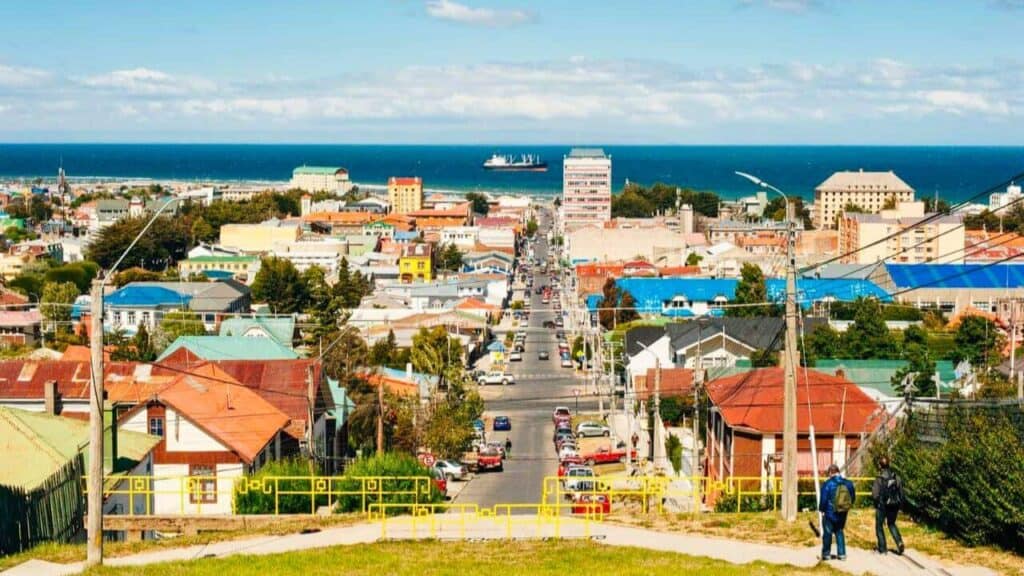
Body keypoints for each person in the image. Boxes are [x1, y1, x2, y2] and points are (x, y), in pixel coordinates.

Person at [819, 463, 856, 561]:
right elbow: (852, 497)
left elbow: (823, 499)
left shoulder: (827, 484)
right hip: (843, 512)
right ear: (838, 472)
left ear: (830, 473)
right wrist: (847, 507)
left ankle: (826, 554)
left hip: (830, 513)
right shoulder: (848, 483)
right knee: (839, 531)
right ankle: (842, 554)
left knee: (827, 533)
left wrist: (822, 510)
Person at [872, 456, 905, 555]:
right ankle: (899, 542)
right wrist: (900, 505)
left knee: (879, 526)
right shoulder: (896, 477)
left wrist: (877, 504)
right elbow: (901, 492)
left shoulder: (879, 478)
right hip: (894, 504)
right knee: (891, 524)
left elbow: (875, 494)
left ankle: (882, 549)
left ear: (880, 466)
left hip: (882, 506)